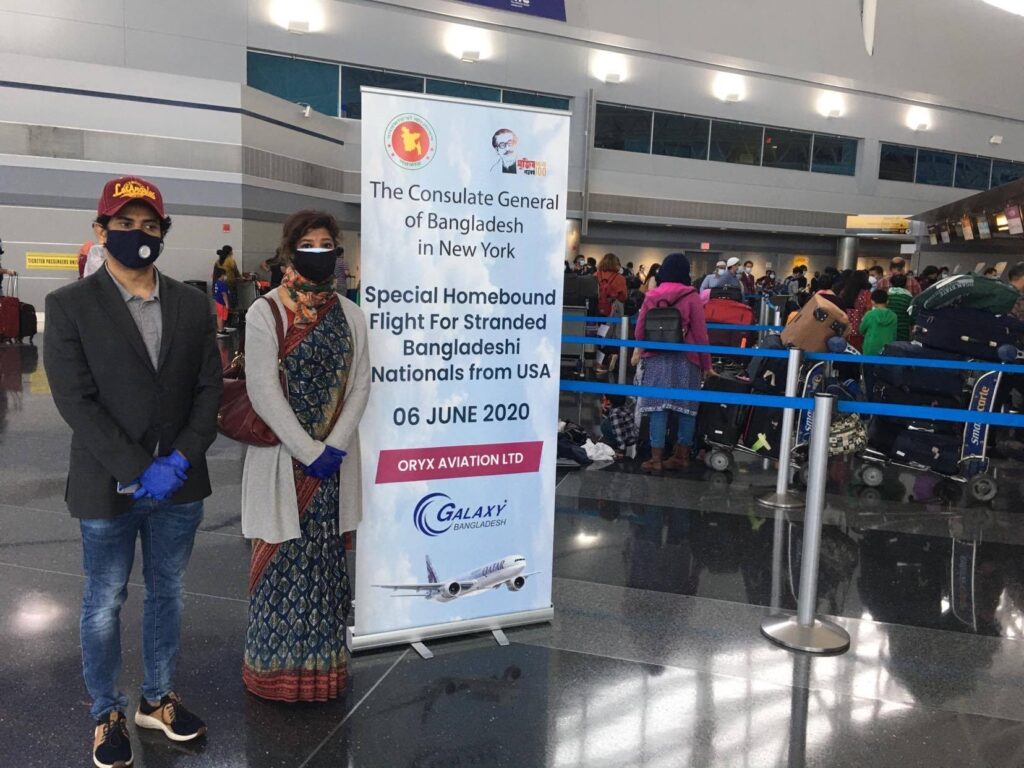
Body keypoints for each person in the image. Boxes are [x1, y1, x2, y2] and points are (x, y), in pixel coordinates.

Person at [43, 176, 221, 768]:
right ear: (101, 230)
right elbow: (76, 401)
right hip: (107, 483)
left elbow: (208, 389)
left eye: (149, 225)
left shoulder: (192, 304)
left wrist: (180, 459)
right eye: (124, 224)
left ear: (163, 233)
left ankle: (157, 697)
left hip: (180, 484)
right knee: (104, 599)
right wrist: (140, 468)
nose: (138, 234)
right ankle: (106, 712)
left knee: (168, 591)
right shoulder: (70, 305)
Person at [241, 209, 370, 703]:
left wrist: (334, 448)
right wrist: (308, 450)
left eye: (326, 244)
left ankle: (322, 676)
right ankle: (272, 676)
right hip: (283, 463)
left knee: (325, 572)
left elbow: (361, 385)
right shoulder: (266, 312)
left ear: (337, 251)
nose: (318, 252)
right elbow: (262, 390)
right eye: (307, 244)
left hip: (333, 469)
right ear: (290, 250)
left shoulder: (351, 314)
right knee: (279, 566)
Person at [634, 252, 711, 473]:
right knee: (686, 409)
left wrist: (645, 349)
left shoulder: (651, 296)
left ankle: (656, 459)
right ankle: (681, 456)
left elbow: (639, 332)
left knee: (657, 409)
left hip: (657, 358)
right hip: (687, 358)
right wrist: (707, 365)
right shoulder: (692, 296)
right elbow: (701, 334)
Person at [859, 289, 897, 396]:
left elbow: (861, 330)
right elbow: (894, 335)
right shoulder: (894, 316)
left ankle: (870, 400)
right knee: (884, 380)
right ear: (887, 301)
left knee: (869, 379)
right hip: (887, 351)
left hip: (870, 351)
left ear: (872, 301)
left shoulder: (869, 315)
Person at [838, 270, 872, 351]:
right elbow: (869, 310)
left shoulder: (844, 292)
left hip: (844, 328)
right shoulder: (866, 294)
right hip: (859, 329)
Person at [887, 273, 913, 341]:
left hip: (887, 329)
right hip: (903, 331)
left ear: (891, 283)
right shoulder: (909, 298)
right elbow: (912, 317)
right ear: (905, 284)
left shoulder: (886, 296)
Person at [213, 266, 231, 337]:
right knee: (221, 317)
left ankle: (221, 329)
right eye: (225, 275)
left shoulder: (217, 282)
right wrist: (227, 304)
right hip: (221, 303)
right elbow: (224, 294)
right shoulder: (222, 284)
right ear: (222, 275)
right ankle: (220, 330)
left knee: (220, 316)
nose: (225, 276)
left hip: (218, 302)